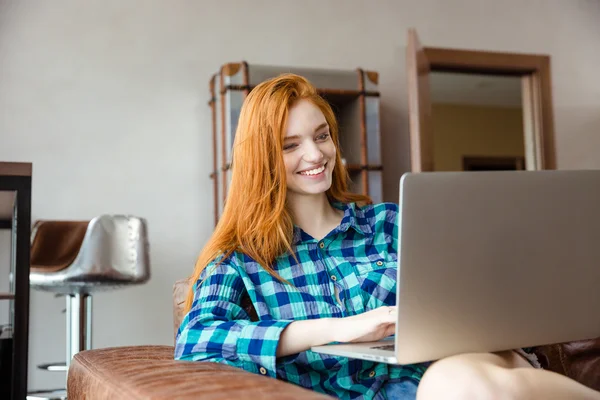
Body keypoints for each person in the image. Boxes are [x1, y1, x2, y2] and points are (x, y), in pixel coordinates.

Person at [175, 73, 600, 400]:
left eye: (321, 136)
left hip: (447, 372)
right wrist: (341, 329)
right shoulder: (239, 260)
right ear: (261, 159)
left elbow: (475, 293)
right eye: (290, 145)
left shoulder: (390, 224)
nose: (315, 154)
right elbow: (195, 340)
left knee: (462, 381)